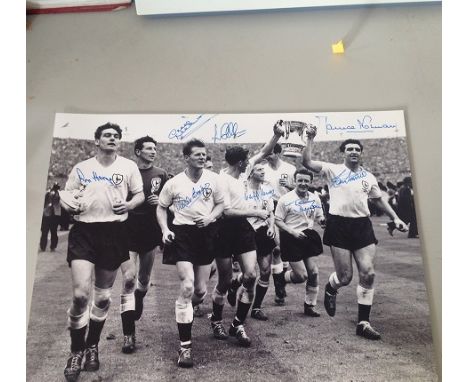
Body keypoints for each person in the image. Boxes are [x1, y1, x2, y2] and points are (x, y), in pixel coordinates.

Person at [302, 129, 408, 340]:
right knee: (345, 277)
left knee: (368, 273)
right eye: (349, 149)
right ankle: (331, 288)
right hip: (338, 225)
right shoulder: (333, 170)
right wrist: (310, 139)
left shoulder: (368, 176)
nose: (353, 152)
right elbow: (307, 162)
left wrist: (395, 217)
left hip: (362, 226)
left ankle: (363, 323)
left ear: (361, 154)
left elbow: (378, 199)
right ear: (344, 153)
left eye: (357, 149)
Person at [61, 123, 144, 382]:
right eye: (107, 135)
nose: (113, 139)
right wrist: (69, 206)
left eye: (116, 136)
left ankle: (92, 346)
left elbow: (139, 194)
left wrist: (129, 204)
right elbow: (67, 196)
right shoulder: (82, 168)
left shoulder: (128, 167)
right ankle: (76, 351)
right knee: (80, 295)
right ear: (96, 141)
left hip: (113, 232)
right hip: (84, 232)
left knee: (103, 298)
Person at [209, 123, 283, 347]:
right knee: (224, 280)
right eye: (247, 162)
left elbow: (263, 152)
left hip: (242, 228)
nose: (249, 165)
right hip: (223, 229)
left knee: (251, 275)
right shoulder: (221, 180)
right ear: (240, 163)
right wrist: (257, 211)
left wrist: (276, 135)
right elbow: (227, 210)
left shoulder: (243, 171)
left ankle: (238, 324)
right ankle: (217, 319)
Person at [157, 139, 225, 368]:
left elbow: (221, 205)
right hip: (182, 234)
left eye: (204, 154)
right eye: (197, 154)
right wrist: (165, 229)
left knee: (200, 291)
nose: (202, 157)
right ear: (186, 157)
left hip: (205, 234)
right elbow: (161, 207)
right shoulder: (174, 183)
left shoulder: (214, 180)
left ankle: (187, 306)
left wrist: (211, 217)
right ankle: (185, 347)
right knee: (187, 286)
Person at [119, 136, 168, 354]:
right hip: (128, 230)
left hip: (150, 231)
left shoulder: (161, 174)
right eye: (148, 148)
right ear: (138, 151)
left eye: (155, 148)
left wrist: (162, 202)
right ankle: (128, 335)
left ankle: (140, 296)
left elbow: (172, 199)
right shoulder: (127, 172)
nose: (153, 151)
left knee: (144, 280)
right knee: (128, 279)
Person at [274, 169, 326, 317]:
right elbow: (277, 220)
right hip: (291, 238)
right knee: (301, 276)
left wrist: (322, 221)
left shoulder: (315, 198)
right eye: (300, 180)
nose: (303, 184)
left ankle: (309, 306)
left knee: (314, 273)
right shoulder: (285, 199)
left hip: (307, 237)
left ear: (311, 182)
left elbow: (319, 216)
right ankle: (281, 278)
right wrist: (292, 232)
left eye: (306, 181)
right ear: (295, 181)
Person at [263, 143, 297, 305]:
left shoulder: (290, 169)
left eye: (269, 152)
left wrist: (290, 186)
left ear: (277, 153)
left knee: (286, 248)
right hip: (272, 208)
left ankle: (282, 281)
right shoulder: (263, 169)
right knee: (276, 248)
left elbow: (300, 189)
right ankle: (279, 289)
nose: (267, 155)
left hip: (289, 208)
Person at [244, 161, 276, 321]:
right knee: (248, 274)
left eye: (264, 169)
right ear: (250, 172)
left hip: (263, 231)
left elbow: (270, 213)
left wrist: (271, 227)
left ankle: (256, 307)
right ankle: (233, 286)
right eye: (259, 169)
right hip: (245, 232)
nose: (263, 172)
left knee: (265, 271)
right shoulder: (242, 189)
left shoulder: (267, 190)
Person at [40, 182, 61, 252]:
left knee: (53, 232)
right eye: (55, 187)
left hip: (55, 215)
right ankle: (43, 246)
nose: (55, 188)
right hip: (47, 214)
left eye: (56, 187)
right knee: (45, 232)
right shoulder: (48, 193)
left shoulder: (59, 194)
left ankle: (53, 246)